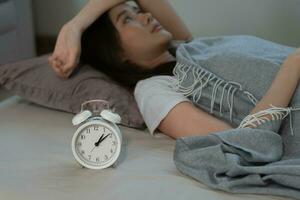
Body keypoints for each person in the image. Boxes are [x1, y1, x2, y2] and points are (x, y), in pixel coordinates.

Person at [48, 0, 300, 139]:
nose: (146, 16)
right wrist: (292, 65)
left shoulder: (187, 48)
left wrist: (75, 25)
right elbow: (242, 142)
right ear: (115, 54)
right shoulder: (153, 90)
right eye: (128, 19)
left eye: (138, 11)